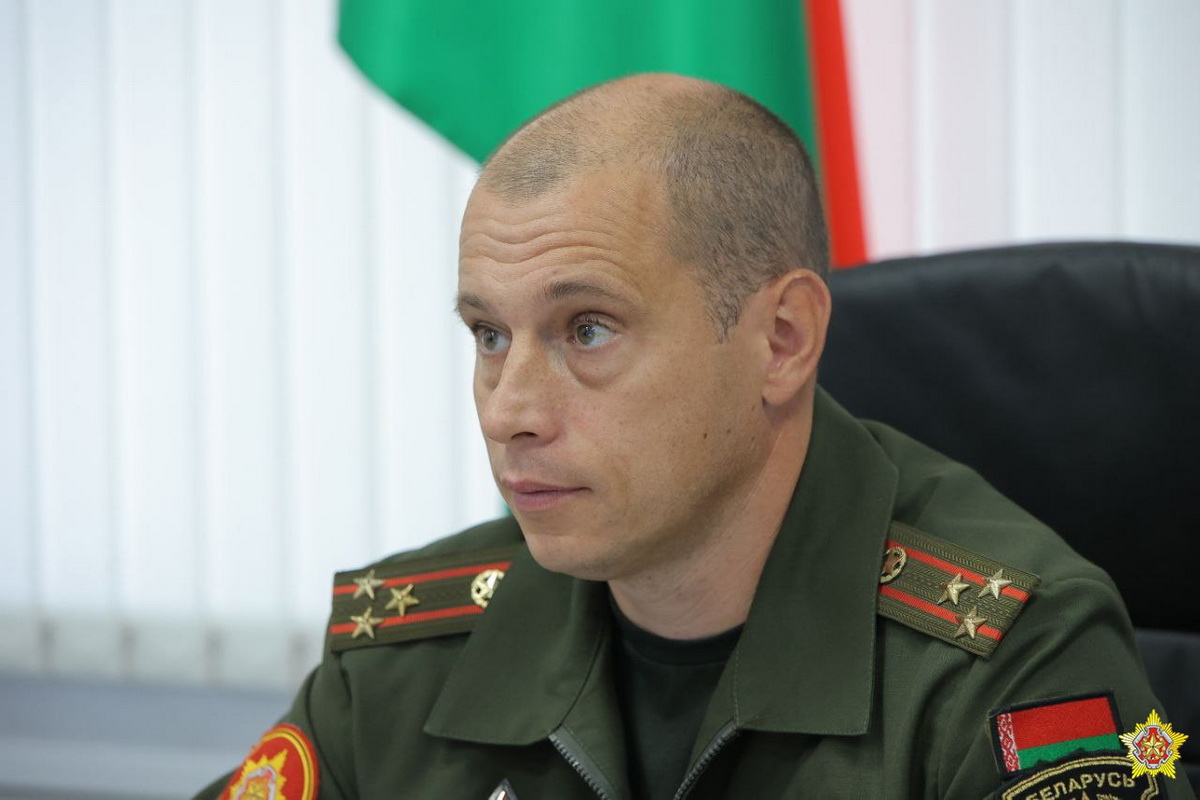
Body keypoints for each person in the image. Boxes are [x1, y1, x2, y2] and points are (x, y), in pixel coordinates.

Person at [195, 74, 1193, 800]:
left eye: (587, 329)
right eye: (490, 335)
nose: (508, 409)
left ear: (781, 340)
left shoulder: (1011, 664)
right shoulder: (404, 654)